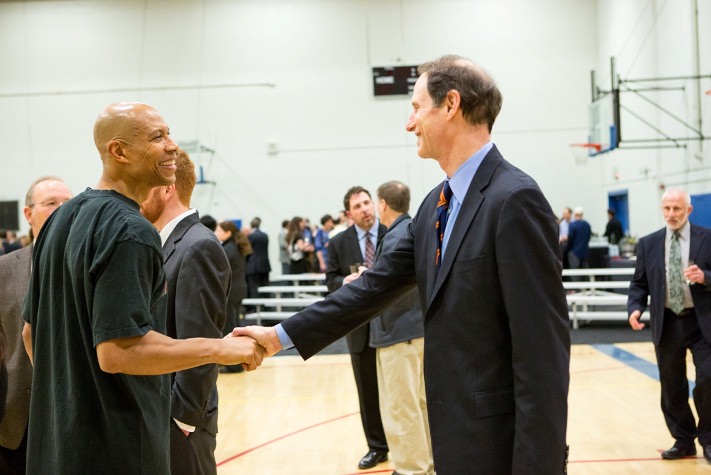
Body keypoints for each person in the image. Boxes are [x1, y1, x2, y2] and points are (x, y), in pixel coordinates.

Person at [235, 55, 570, 474]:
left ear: (450, 104)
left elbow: (544, 355)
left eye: (415, 107)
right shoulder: (434, 206)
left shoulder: (514, 199)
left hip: (501, 448)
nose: (409, 124)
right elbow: (373, 287)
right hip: (453, 438)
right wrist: (277, 336)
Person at [21, 102, 264, 475]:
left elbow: (30, 331)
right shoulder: (131, 230)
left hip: (56, 444)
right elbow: (120, 352)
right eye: (157, 136)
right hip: (117, 450)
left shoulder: (60, 221)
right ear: (119, 151)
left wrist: (69, 401)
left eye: (168, 132)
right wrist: (223, 348)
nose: (173, 146)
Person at [140, 150, 230, 475]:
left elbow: (202, 342)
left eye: (142, 183)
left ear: (167, 188)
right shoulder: (164, 243)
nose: (135, 193)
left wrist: (182, 420)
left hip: (181, 422)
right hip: (159, 414)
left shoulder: (198, 245)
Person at [628, 189, 711, 463]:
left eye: (677, 209)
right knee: (672, 387)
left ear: (689, 210)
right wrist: (635, 308)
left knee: (708, 381)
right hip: (667, 321)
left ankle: (709, 439)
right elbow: (639, 283)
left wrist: (705, 277)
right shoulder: (648, 243)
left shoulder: (707, 238)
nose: (671, 214)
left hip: (702, 322)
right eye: (667, 209)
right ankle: (683, 440)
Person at [0, 176, 72, 475]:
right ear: (29, 214)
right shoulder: (4, 269)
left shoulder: (91, 266)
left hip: (73, 413)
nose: (60, 210)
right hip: (14, 415)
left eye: (67, 205)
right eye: (50, 203)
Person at [370, 180, 433, 475]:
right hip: (415, 330)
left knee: (401, 406)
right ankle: (426, 464)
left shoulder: (396, 237)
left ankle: (411, 469)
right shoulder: (410, 229)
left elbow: (392, 289)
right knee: (419, 405)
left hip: (398, 332)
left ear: (382, 204)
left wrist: (365, 281)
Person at [326, 186, 388, 470]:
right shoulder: (338, 243)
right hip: (360, 325)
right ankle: (377, 447)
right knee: (367, 391)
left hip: (393, 323)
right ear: (349, 214)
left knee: (402, 388)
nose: (365, 209)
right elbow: (330, 280)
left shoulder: (393, 234)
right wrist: (344, 282)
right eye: (358, 206)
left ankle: (408, 440)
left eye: (367, 202)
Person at [215, 220, 253, 373]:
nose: (216, 233)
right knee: (235, 325)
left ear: (228, 233)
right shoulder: (234, 247)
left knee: (231, 327)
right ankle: (237, 361)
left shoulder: (228, 249)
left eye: (219, 230)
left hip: (231, 292)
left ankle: (234, 365)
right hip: (238, 290)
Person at [246, 217, 271, 299]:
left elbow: (248, 251)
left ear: (251, 226)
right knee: (265, 285)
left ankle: (255, 307)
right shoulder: (265, 235)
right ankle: (267, 306)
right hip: (265, 263)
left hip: (253, 264)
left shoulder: (250, 236)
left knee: (254, 287)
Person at [567, 206, 591, 272]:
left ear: (574, 214)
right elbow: (588, 238)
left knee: (575, 275)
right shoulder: (587, 225)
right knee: (584, 274)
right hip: (585, 253)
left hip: (574, 253)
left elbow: (570, 240)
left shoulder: (572, 225)